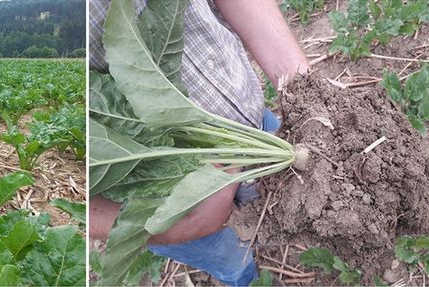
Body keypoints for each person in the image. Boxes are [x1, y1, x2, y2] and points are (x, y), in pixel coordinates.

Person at [89, 0, 310, 285]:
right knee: (230, 259)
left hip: (255, 129)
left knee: (295, 206)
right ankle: (249, 279)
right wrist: (178, 227)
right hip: (173, 202)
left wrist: (308, 92)